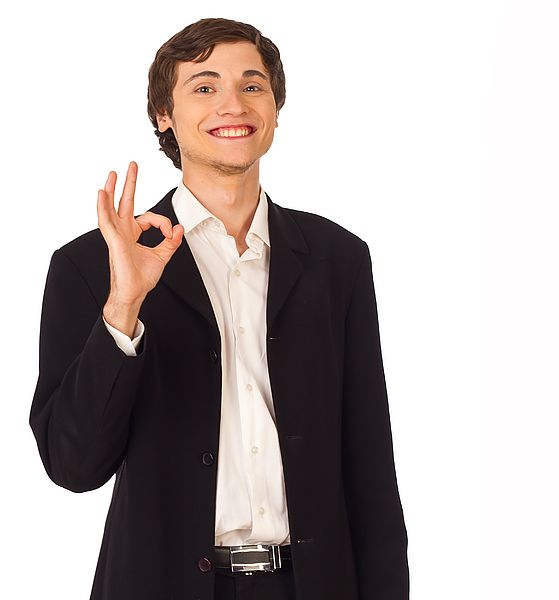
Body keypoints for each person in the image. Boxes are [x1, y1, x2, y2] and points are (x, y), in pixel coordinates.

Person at [29, 17, 409, 600]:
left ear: (275, 109)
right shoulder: (93, 263)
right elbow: (73, 466)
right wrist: (124, 305)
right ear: (165, 115)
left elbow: (371, 470)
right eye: (204, 87)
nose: (232, 103)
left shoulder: (338, 259)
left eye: (252, 86)